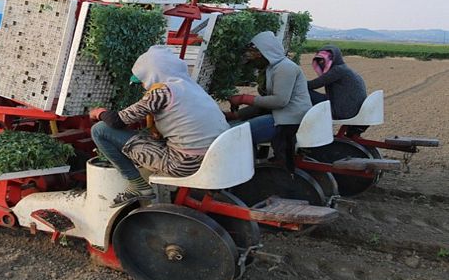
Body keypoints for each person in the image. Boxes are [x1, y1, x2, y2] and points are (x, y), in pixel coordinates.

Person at [89, 45, 230, 208]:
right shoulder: (190, 86)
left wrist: (99, 112)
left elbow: (116, 121)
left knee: (99, 130)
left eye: (143, 80)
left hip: (184, 163)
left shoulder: (162, 92)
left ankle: (138, 185)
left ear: (153, 74)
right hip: (215, 156)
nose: (143, 85)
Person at [225, 31, 311, 171]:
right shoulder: (273, 68)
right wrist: (237, 115)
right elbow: (264, 104)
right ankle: (246, 169)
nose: (253, 59)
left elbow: (279, 101)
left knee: (235, 133)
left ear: (265, 52)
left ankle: (244, 171)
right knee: (235, 127)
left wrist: (244, 98)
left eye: (255, 54)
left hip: (287, 121)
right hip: (282, 117)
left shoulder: (285, 68)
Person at [308, 45, 367, 122]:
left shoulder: (337, 71)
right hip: (350, 109)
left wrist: (296, 82)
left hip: (342, 111)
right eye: (319, 60)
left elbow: (313, 85)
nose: (321, 63)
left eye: (323, 60)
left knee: (305, 92)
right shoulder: (344, 69)